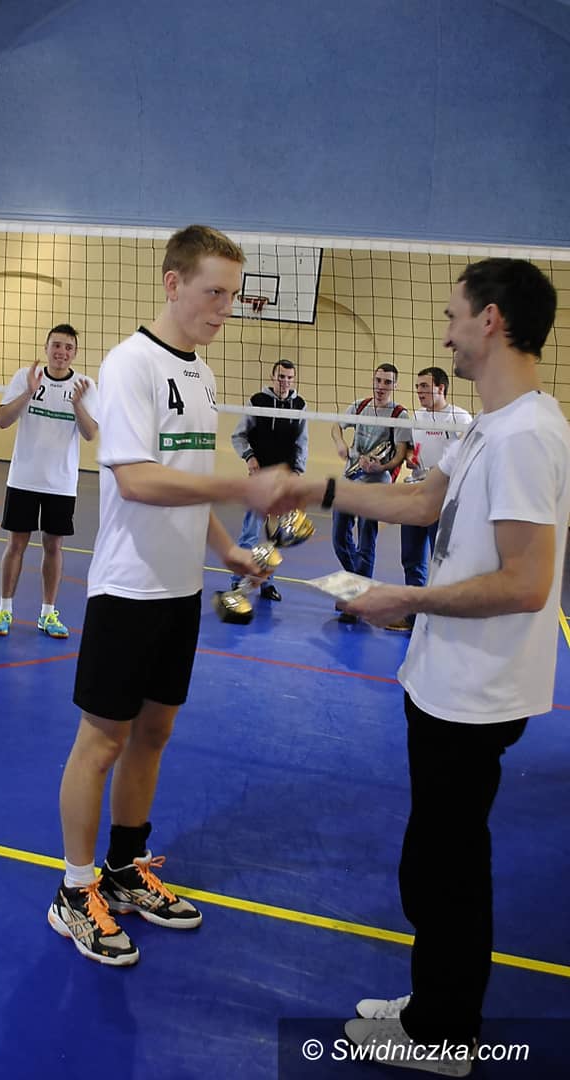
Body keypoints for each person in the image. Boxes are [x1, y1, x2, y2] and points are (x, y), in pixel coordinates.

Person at [289, 258, 570, 1074]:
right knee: (435, 857)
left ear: (491, 319)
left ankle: (445, 1035)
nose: (444, 332)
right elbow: (420, 501)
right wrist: (316, 490)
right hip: (445, 680)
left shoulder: (525, 436)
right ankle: (434, 1004)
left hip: (477, 692)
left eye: (453, 315)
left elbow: (527, 583)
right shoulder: (492, 424)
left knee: (448, 866)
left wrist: (403, 599)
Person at [48, 224, 288, 967]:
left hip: (181, 590)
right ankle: (75, 890)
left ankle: (125, 869)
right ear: (173, 283)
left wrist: (228, 551)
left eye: (233, 295)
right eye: (214, 292)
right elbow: (136, 479)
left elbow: (188, 479)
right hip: (128, 589)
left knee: (154, 734)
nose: (226, 307)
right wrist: (244, 488)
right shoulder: (130, 365)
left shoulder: (203, 374)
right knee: (102, 742)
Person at [0, 324, 98, 639]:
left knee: (54, 546)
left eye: (68, 347)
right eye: (56, 345)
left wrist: (77, 404)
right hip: (23, 478)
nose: (61, 352)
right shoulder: (26, 376)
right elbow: (2, 420)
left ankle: (48, 614)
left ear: (75, 353)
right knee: (16, 544)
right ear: (47, 348)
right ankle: (4, 610)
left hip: (60, 483)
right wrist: (28, 392)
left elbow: (90, 433)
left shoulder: (85, 385)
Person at [386, 366, 472, 632]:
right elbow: (414, 451)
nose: (419, 391)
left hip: (444, 500)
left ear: (440, 388)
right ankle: (414, 617)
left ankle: (440, 618)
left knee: (441, 562)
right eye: (417, 386)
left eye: (424, 386)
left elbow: (469, 458)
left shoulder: (459, 417)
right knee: (411, 558)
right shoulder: (418, 417)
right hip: (417, 493)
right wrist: (412, 459)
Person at [331, 363, 410, 622]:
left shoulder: (399, 415)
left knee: (366, 539)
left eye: (387, 382)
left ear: (395, 385)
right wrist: (340, 443)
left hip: (377, 483)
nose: (381, 386)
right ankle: (358, 586)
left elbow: (399, 455)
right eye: (378, 380)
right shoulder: (360, 406)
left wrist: (380, 466)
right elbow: (336, 426)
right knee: (339, 537)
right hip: (350, 478)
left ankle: (358, 600)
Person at [229, 358, 307, 601]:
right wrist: (249, 457)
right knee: (250, 534)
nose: (285, 382)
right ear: (272, 377)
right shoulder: (257, 401)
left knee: (274, 539)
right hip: (259, 479)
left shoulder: (300, 405)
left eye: (289, 378)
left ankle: (266, 583)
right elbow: (238, 435)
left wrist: (297, 471)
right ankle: (238, 580)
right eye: (281, 377)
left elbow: (302, 442)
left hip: (284, 482)